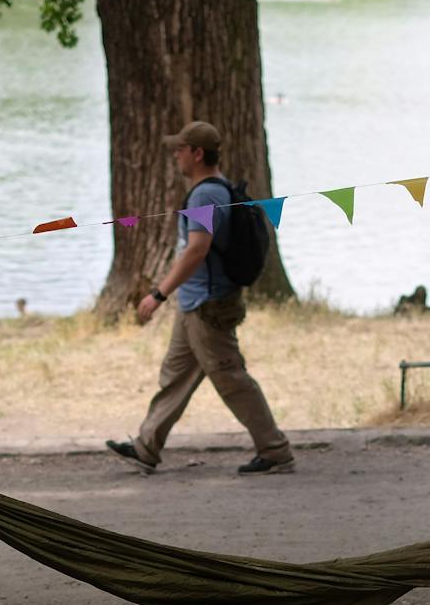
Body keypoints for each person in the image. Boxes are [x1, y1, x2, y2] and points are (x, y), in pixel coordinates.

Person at [105, 120, 294, 476]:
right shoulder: (216, 189)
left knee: (233, 380)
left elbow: (196, 250)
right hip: (194, 305)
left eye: (180, 149)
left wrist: (159, 294)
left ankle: (275, 451)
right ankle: (146, 446)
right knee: (175, 376)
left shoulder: (207, 194)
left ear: (196, 153)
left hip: (209, 308)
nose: (175, 155)